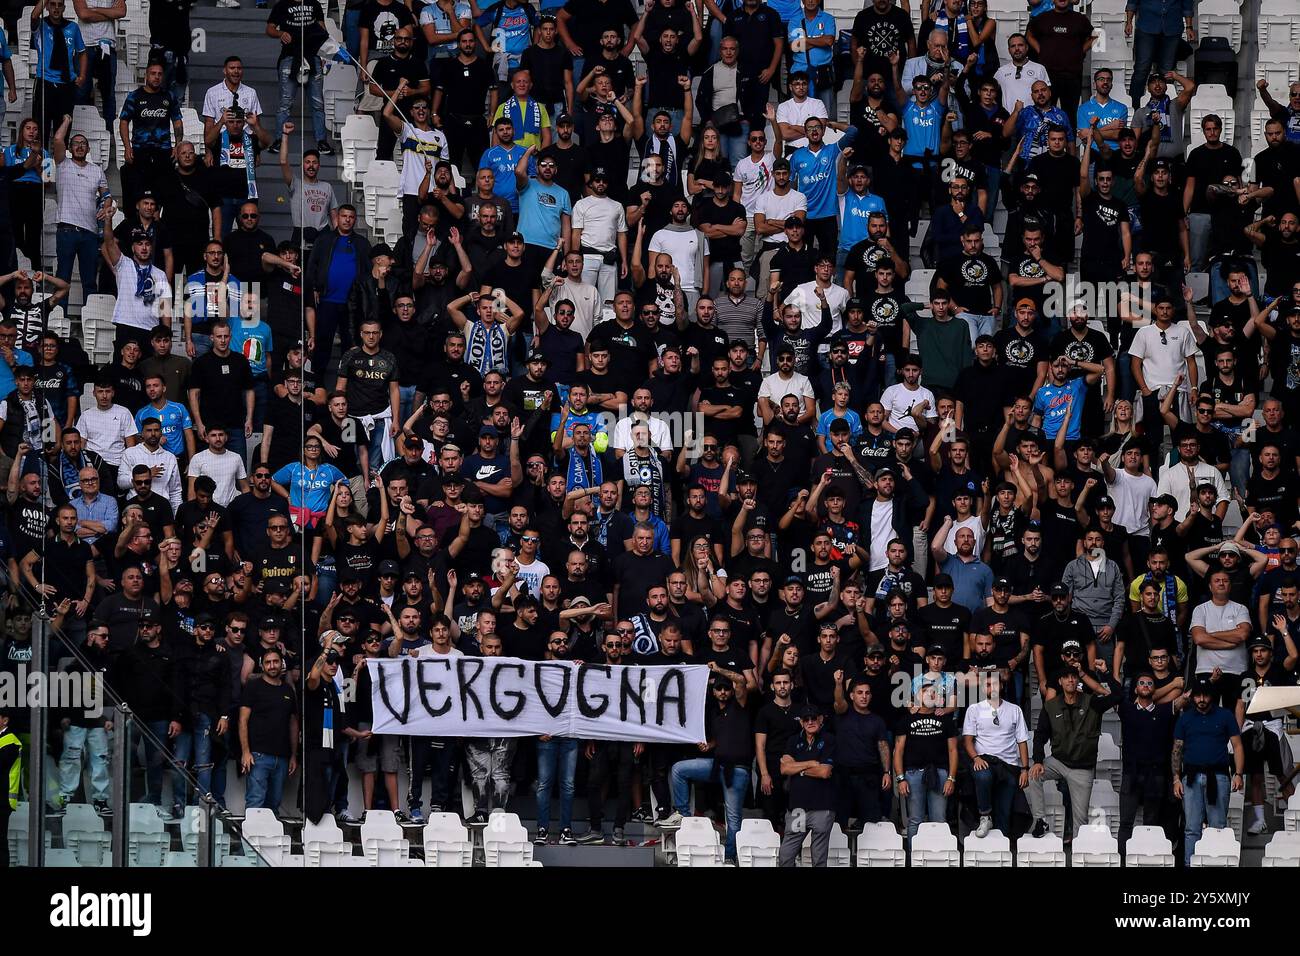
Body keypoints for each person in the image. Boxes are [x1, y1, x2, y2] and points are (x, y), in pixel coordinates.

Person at [1027, 660, 1120, 838]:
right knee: (1034, 774)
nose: (1070, 680)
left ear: (1078, 680)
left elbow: (1118, 696)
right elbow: (1039, 736)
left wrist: (1106, 673)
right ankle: (1040, 820)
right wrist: (1038, 761)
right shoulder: (1051, 705)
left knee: (1080, 823)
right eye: (1066, 677)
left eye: (1073, 677)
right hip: (1058, 762)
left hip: (1082, 768)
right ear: (1060, 682)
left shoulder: (1092, 702)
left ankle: (1077, 856)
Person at [1173, 677, 1244, 865]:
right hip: (1190, 777)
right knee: (1191, 828)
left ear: (1212, 696)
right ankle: (1190, 864)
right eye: (1197, 695)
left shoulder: (1225, 715)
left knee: (1218, 827)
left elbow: (1237, 746)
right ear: (1192, 697)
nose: (1202, 699)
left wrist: (1238, 773)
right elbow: (1177, 749)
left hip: (1219, 775)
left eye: (1205, 695)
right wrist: (1176, 778)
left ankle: (1216, 863)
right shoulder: (1185, 717)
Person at [962, 667, 1031, 837]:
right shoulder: (974, 709)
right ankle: (985, 815)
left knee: (1004, 817)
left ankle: (1002, 856)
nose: (991, 688)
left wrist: (1025, 769)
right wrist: (976, 758)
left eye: (994, 684)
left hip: (1009, 766)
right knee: (983, 775)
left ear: (1001, 686)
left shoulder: (1015, 710)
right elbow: (968, 742)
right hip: (984, 760)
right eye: (987, 685)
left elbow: (1022, 741)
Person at [778, 703, 836, 867]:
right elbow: (784, 768)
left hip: (822, 807)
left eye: (813, 718)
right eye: (806, 719)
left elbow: (824, 772)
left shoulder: (829, 739)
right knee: (786, 857)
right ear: (801, 722)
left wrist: (797, 768)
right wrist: (811, 763)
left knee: (818, 860)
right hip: (797, 808)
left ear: (820, 719)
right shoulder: (793, 740)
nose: (810, 722)